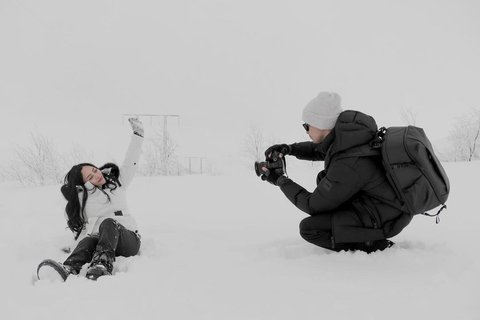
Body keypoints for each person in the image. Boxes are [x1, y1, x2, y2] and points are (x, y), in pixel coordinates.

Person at [261, 91, 411, 253]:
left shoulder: (347, 164)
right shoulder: (349, 139)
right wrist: (289, 149)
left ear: (321, 124)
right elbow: (320, 149)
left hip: (385, 218)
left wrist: (280, 180)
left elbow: (313, 205)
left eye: (307, 126)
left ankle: (370, 243)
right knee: (323, 180)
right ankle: (359, 231)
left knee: (310, 228)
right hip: (384, 206)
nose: (306, 131)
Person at [37, 118, 144, 280]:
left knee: (108, 223)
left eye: (95, 170)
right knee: (90, 240)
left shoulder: (117, 183)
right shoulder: (84, 200)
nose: (97, 175)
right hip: (102, 241)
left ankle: (103, 264)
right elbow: (83, 228)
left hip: (128, 239)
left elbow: (131, 163)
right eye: (90, 177)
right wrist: (76, 247)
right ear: (84, 183)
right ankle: (68, 268)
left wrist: (138, 135)